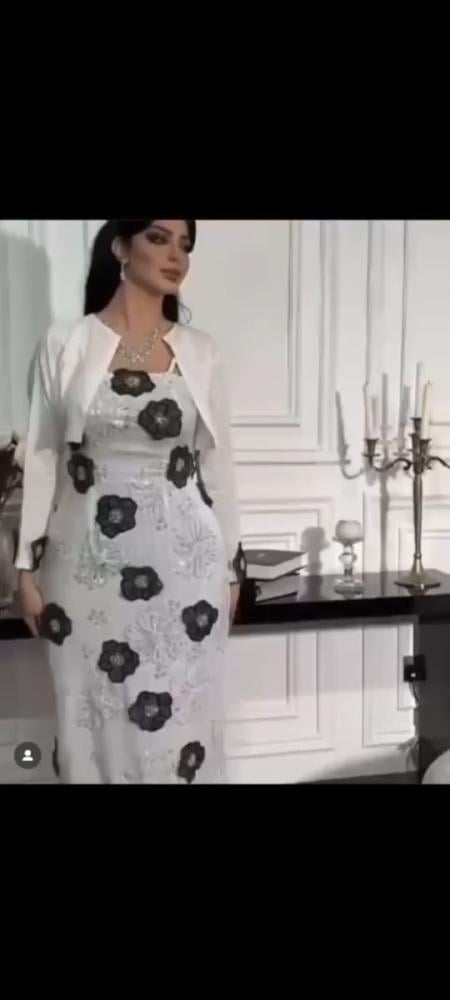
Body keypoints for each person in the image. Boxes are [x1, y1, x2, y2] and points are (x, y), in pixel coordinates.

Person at [16, 219, 247, 784]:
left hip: (187, 570)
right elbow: (43, 459)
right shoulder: (65, 344)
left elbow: (217, 468)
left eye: (185, 245)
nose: (176, 256)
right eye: (159, 238)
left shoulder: (202, 352)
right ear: (121, 247)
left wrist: (231, 568)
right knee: (88, 727)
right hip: (83, 567)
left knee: (180, 728)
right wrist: (25, 566)